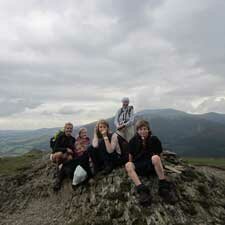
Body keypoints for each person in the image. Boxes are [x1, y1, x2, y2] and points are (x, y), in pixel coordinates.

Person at [125, 120, 175, 206]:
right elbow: (130, 156)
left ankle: (163, 186)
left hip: (150, 165)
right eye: (140, 129)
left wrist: (159, 166)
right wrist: (131, 168)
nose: (143, 131)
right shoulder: (133, 141)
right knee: (128, 165)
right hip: (139, 165)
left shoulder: (154, 139)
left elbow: (159, 155)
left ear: (148, 129)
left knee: (155, 158)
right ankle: (142, 190)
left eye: (145, 129)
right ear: (137, 131)